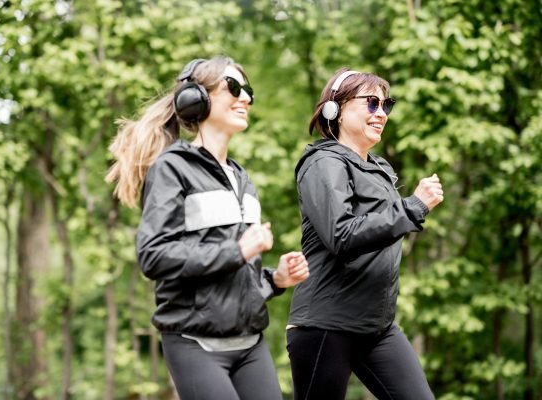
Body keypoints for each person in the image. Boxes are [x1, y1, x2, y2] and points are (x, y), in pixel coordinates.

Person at [105, 56, 310, 400]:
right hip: (194, 344)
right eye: (233, 87)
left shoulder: (242, 179)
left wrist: (274, 280)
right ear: (196, 98)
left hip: (250, 344)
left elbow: (234, 276)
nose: (245, 97)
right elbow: (153, 256)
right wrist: (239, 250)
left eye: (248, 91)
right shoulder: (172, 169)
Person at [286, 68, 443, 400]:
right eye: (372, 103)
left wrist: (408, 208)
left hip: (377, 328)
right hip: (326, 325)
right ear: (336, 109)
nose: (382, 113)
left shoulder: (380, 168)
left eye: (387, 105)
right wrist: (413, 207)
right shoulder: (323, 163)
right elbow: (341, 235)